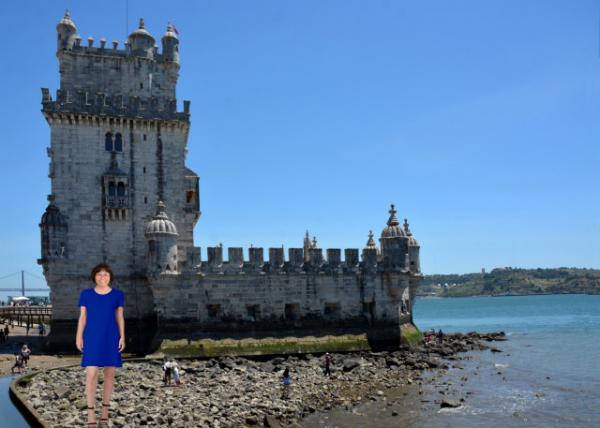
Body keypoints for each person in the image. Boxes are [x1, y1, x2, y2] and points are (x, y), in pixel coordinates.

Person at [76, 263, 125, 428]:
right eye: (99, 274)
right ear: (94, 277)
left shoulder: (118, 295)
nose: (102, 277)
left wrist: (122, 337)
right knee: (91, 373)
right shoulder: (86, 294)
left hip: (111, 336)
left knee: (110, 373)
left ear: (110, 277)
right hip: (91, 337)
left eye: (105, 274)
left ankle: (104, 410)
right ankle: (90, 412)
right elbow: (82, 317)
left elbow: (120, 318)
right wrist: (78, 336)